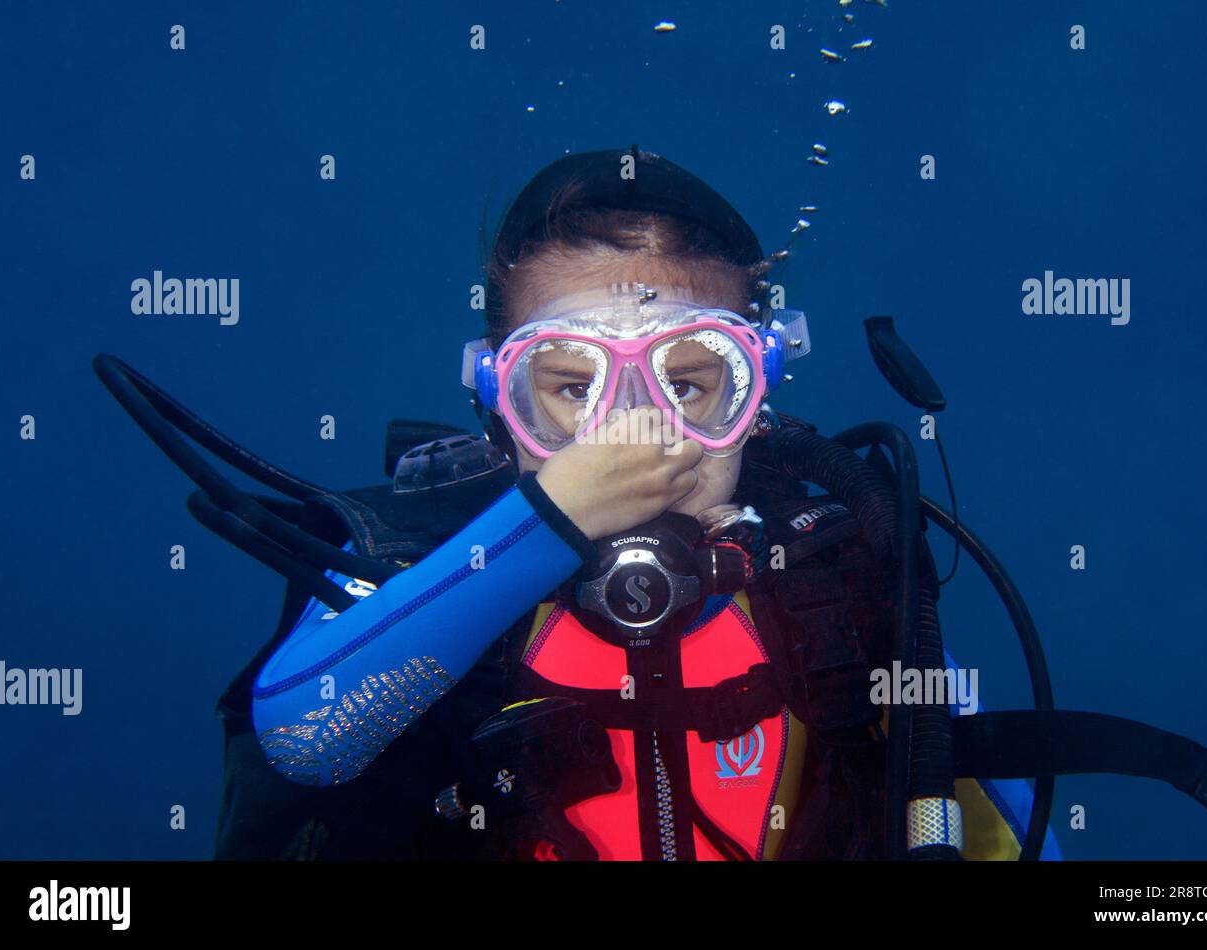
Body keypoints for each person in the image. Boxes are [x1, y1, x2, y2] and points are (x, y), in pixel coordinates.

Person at [205, 147, 1055, 861]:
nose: (635, 433)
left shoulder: (844, 579)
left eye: (687, 381)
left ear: (757, 398)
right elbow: (301, 735)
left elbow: (1005, 832)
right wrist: (545, 524)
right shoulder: (408, 561)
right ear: (498, 396)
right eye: (574, 386)